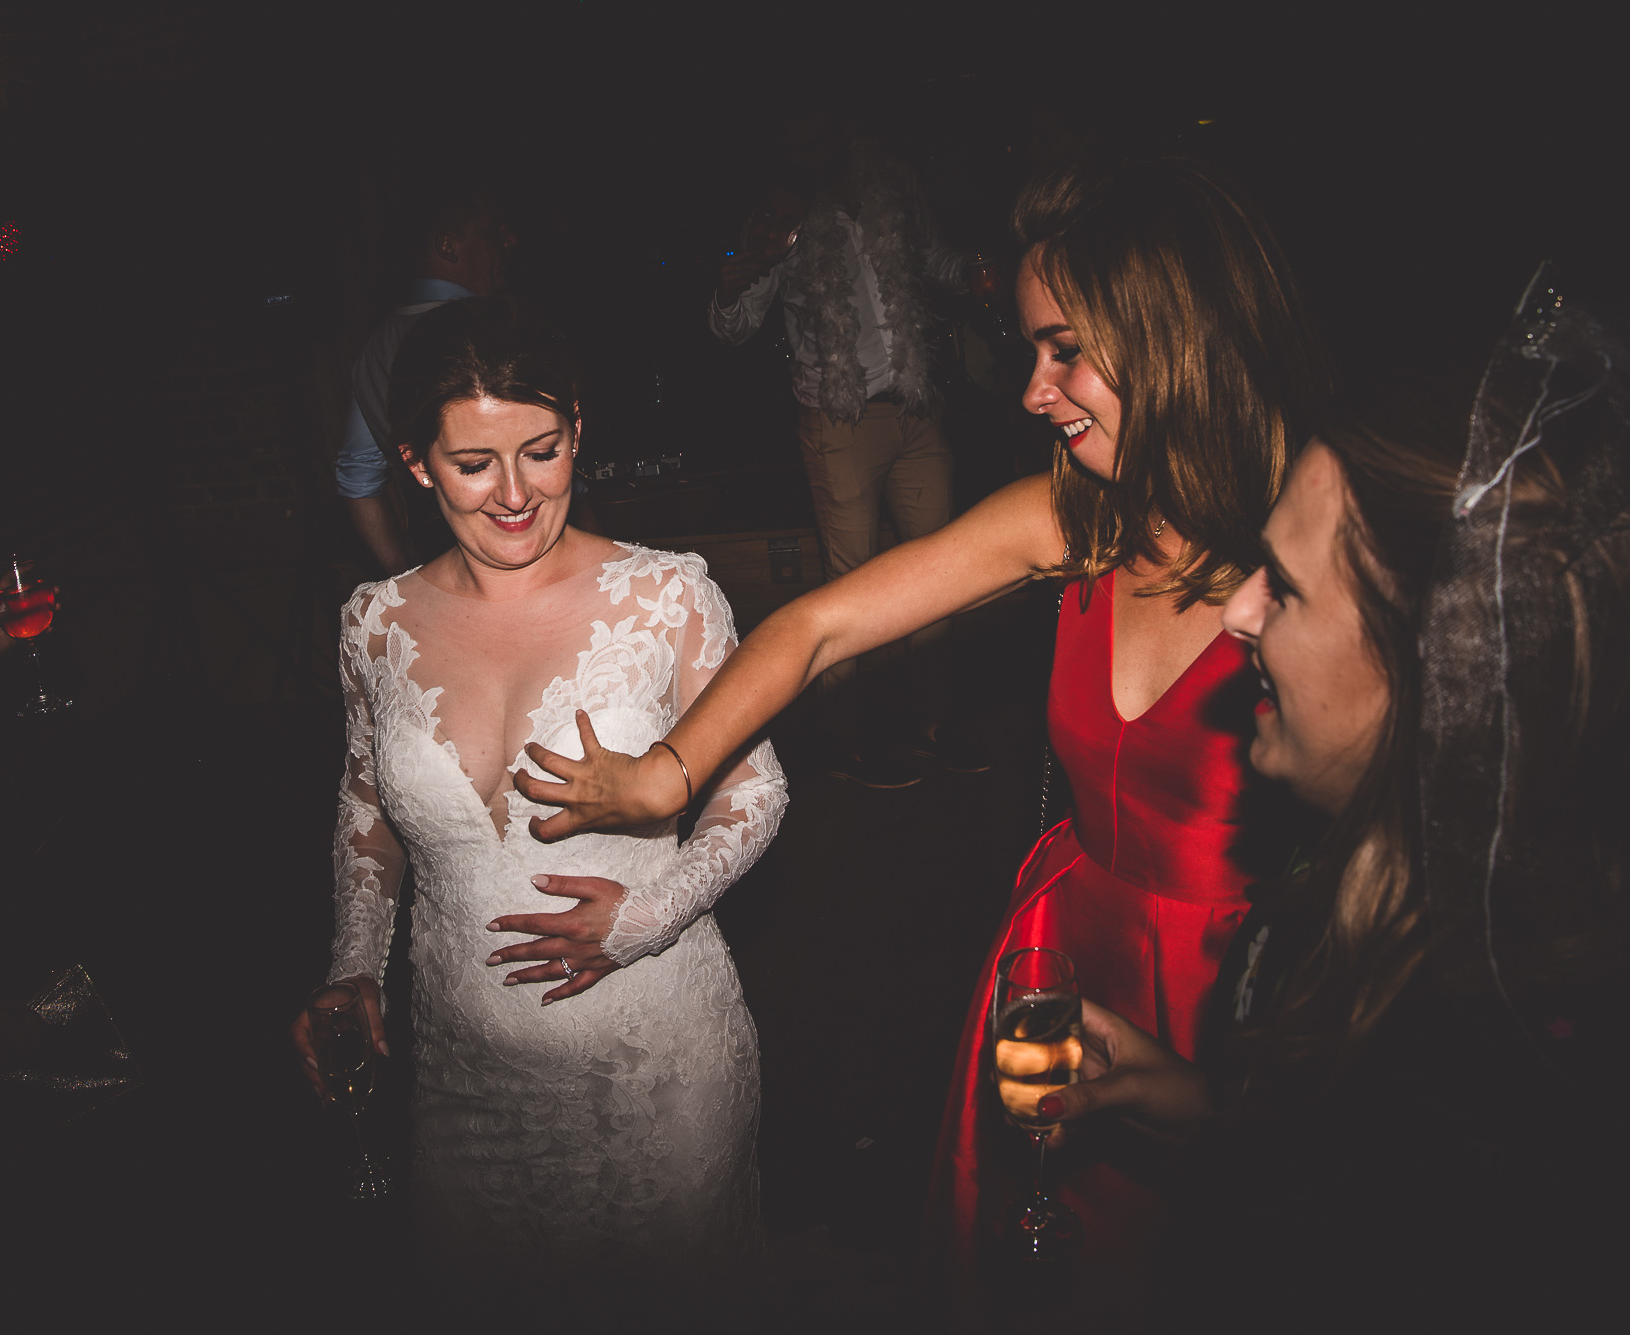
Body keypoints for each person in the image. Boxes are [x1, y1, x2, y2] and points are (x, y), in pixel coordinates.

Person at [526, 150, 1328, 1299]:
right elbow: (817, 626)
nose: (1032, 391)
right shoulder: (1073, 514)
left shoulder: (1309, 560)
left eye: (1066, 353)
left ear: (1170, 339)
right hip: (1061, 955)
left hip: (1237, 996)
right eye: (1029, 352)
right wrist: (669, 774)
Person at [1037, 271, 1630, 1322]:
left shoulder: (1491, 1088)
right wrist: (1190, 1106)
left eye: (1286, 584)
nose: (1235, 614)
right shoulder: (1399, 907)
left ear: (1435, 661)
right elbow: (1316, 1190)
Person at [291, 296, 788, 1318]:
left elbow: (755, 789)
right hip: (464, 1077)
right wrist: (351, 962)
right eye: (474, 464)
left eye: (543, 450)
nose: (514, 494)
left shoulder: (668, 598)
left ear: (576, 430)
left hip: (656, 1061)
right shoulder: (373, 623)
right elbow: (364, 806)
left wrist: (645, 919)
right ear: (417, 464)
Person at [709, 120, 977, 786]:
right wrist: (734, 279)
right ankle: (844, 742)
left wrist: (977, 271)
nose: (812, 149)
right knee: (850, 585)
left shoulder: (891, 186)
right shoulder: (781, 215)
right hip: (837, 421)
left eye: (820, 132)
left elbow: (934, 260)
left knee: (942, 574)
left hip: (917, 408)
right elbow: (735, 326)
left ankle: (934, 725)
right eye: (796, 139)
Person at [335, 185, 517, 576]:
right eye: (491, 231)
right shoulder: (493, 328)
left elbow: (357, 476)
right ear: (448, 246)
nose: (509, 241)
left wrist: (405, 581)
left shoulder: (377, 343)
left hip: (442, 564)